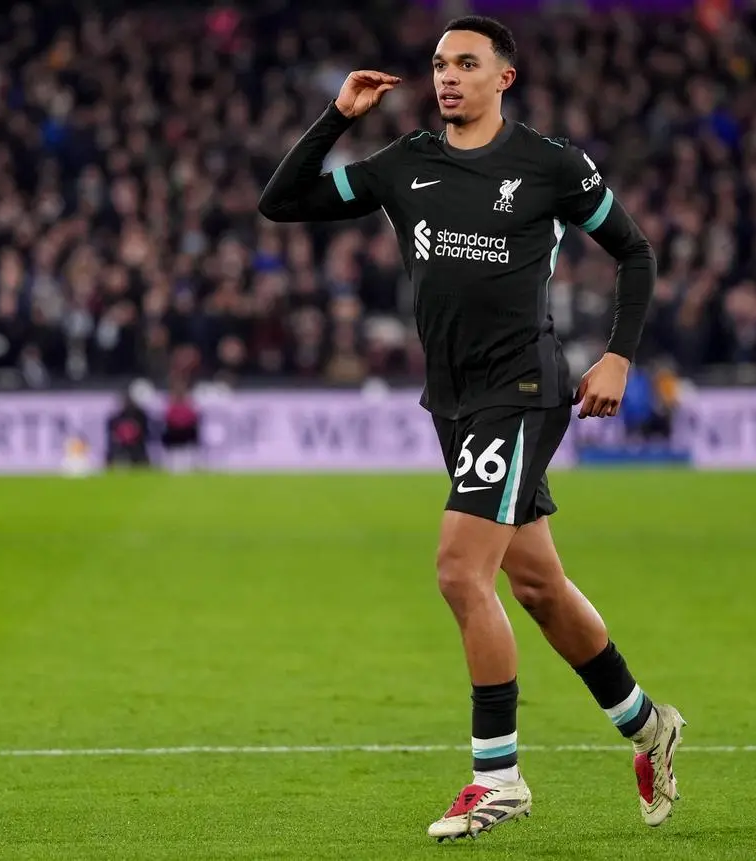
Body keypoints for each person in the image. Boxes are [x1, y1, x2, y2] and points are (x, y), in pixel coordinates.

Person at [258, 16, 684, 842]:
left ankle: (498, 777)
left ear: (503, 78)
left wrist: (620, 358)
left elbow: (635, 251)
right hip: (452, 399)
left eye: (466, 64)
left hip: (522, 387)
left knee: (460, 570)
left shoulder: (550, 165)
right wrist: (339, 117)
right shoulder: (404, 165)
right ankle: (647, 724)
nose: (447, 77)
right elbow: (282, 202)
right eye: (439, 65)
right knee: (537, 586)